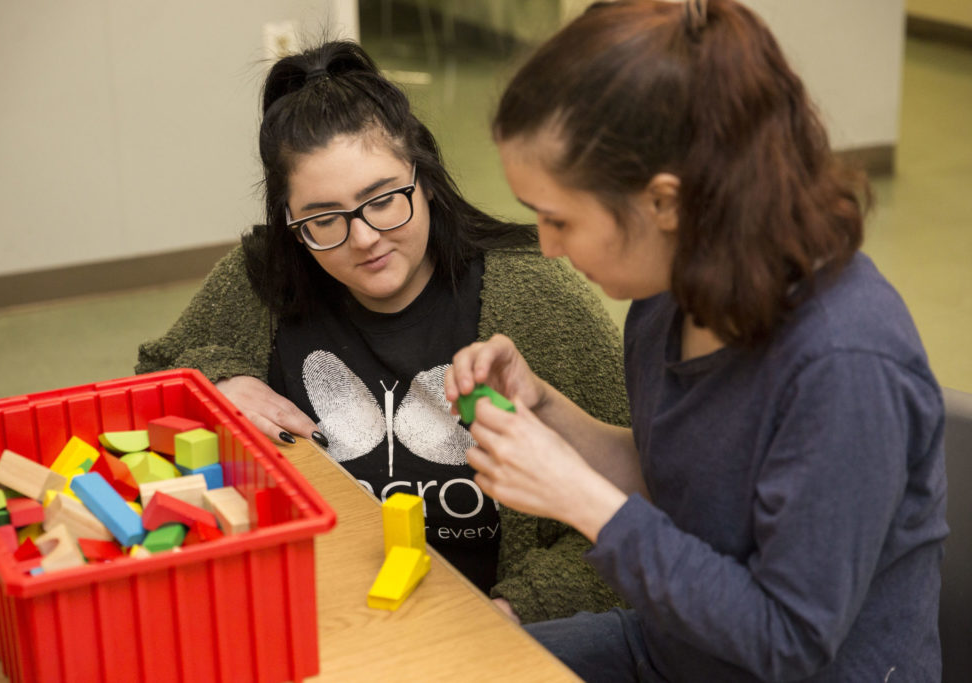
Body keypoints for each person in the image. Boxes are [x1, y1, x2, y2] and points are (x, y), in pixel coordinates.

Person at [445, 1, 949, 680]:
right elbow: (685, 479)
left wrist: (582, 500)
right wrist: (545, 411)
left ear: (665, 203)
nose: (548, 248)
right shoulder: (667, 292)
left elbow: (786, 639)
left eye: (558, 218)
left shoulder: (844, 362)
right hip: (679, 651)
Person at [136, 40, 629, 622]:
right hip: (315, 616)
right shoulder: (260, 278)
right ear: (290, 224)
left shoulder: (539, 298)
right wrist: (215, 385)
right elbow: (153, 381)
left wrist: (514, 612)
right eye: (323, 219)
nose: (364, 237)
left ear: (424, 178)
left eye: (384, 199)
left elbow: (635, 519)